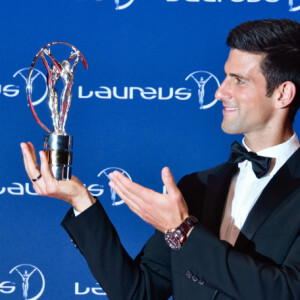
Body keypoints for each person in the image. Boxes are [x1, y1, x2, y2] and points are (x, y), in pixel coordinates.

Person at [21, 18, 300, 299]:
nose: (219, 92)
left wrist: (184, 232)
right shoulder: (197, 187)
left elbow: (287, 291)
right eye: (225, 76)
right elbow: (136, 292)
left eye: (238, 80)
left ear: (282, 94)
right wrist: (80, 199)